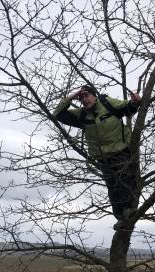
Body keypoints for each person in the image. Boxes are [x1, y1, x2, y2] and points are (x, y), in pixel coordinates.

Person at [53, 85, 141, 229]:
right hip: (103, 159)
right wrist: (71, 97)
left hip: (121, 152)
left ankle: (129, 213)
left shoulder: (107, 103)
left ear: (95, 95)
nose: (84, 100)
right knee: (113, 187)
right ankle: (121, 218)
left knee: (125, 181)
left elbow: (127, 107)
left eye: (87, 96)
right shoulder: (81, 115)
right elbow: (58, 114)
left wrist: (135, 101)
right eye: (81, 98)